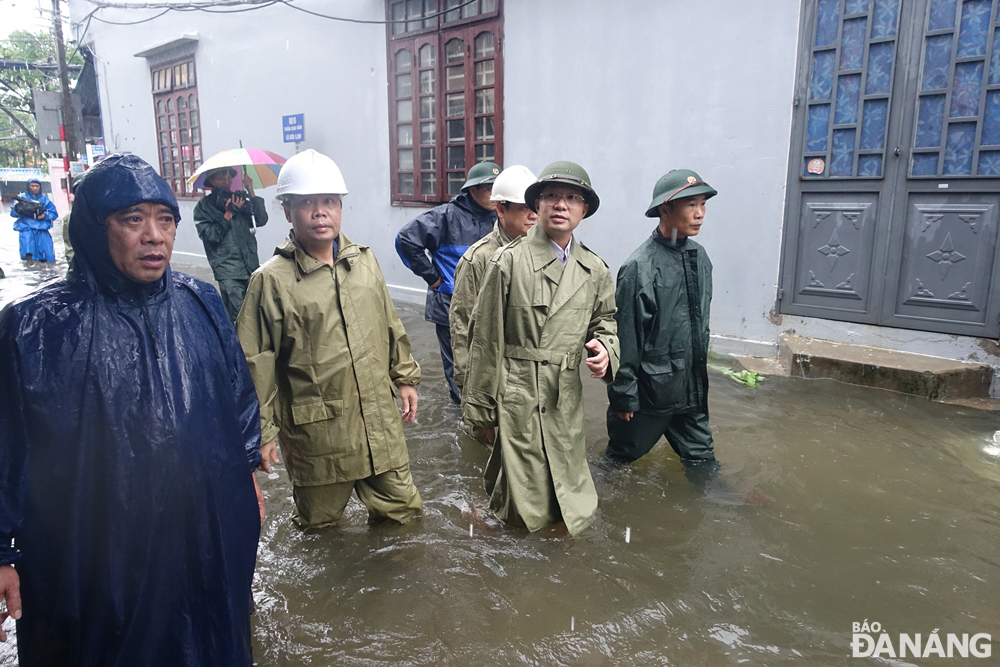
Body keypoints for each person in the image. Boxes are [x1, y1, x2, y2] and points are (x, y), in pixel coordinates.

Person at [0, 154, 265, 666]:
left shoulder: (202, 303)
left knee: (211, 635)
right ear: (96, 229)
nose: (154, 236)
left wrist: (248, 473)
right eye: (132, 219)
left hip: (202, 530)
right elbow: (6, 445)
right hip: (95, 544)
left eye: (165, 219)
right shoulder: (35, 327)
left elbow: (238, 400)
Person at [237, 149, 423, 528]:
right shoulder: (271, 281)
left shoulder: (363, 261)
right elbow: (255, 363)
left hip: (379, 425)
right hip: (319, 437)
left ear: (340, 208)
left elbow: (388, 323)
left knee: (404, 518)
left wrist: (404, 377)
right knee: (320, 532)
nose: (320, 212)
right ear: (287, 210)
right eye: (307, 203)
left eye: (330, 202)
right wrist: (263, 433)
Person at [462, 161, 619, 535]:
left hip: (564, 394)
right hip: (516, 393)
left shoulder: (594, 269)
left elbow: (606, 320)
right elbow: (484, 340)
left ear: (584, 210)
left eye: (572, 198)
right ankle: (503, 557)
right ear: (538, 206)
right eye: (551, 196)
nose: (561, 205)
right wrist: (482, 412)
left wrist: (604, 350)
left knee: (567, 486)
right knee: (521, 499)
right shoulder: (508, 262)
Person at [605, 169, 718, 473]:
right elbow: (626, 336)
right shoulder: (639, 267)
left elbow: (698, 327)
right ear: (665, 209)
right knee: (617, 465)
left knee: (704, 465)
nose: (700, 214)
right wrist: (624, 396)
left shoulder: (700, 258)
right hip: (650, 395)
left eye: (703, 204)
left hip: (690, 391)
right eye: (691, 205)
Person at [395, 161, 500, 404]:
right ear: (472, 190)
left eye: (498, 188)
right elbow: (406, 240)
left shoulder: (501, 215)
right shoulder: (445, 216)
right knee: (457, 363)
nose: (495, 195)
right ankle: (462, 411)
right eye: (488, 188)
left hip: (488, 302)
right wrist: (432, 276)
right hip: (450, 302)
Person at [450, 165, 538, 402]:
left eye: (537, 208)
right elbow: (463, 331)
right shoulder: (477, 260)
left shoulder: (548, 253)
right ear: (501, 209)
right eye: (525, 208)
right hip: (498, 383)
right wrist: (473, 397)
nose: (534, 216)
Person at [194, 166, 269, 321]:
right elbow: (211, 236)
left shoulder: (238, 199)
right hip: (228, 270)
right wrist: (228, 215)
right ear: (212, 180)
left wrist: (251, 192)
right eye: (222, 175)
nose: (226, 178)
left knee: (257, 312)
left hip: (250, 265)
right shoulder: (204, 207)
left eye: (229, 175)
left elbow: (261, 220)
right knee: (240, 317)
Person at [9, 178, 58, 263]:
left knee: (47, 255)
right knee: (28, 255)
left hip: (42, 230)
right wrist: (21, 210)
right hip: (27, 230)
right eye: (32, 186)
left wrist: (44, 215)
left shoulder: (45, 200)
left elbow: (54, 214)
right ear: (28, 187)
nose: (35, 188)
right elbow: (13, 213)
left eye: (37, 186)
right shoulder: (21, 198)